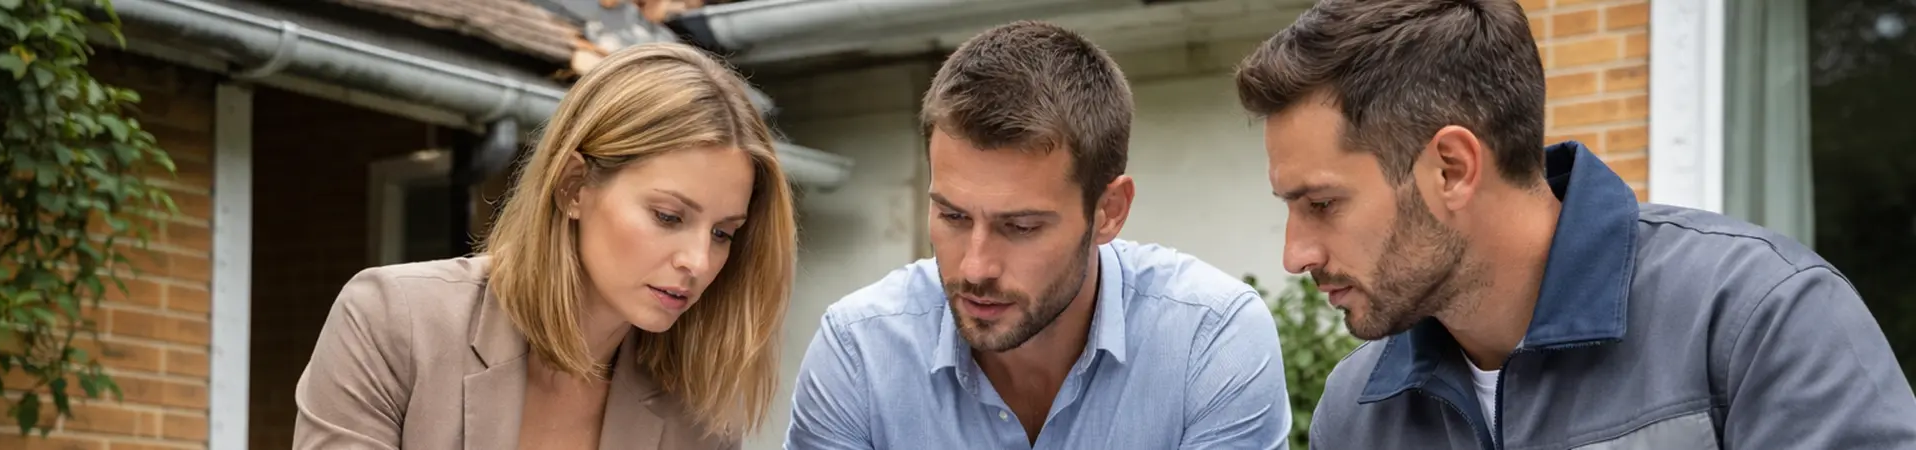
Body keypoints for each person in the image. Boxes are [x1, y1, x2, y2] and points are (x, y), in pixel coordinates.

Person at [1233, 0, 1916, 448]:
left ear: (1450, 168)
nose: (1296, 254)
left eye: (1321, 203)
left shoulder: (1754, 317)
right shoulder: (1356, 415)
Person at [784, 20, 1291, 450]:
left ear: (1109, 212)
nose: (975, 267)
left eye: (1021, 226)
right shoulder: (860, 350)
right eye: (953, 217)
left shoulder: (1209, 338)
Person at [291, 42, 798, 450]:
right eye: (668, 216)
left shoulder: (699, 414)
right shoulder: (395, 320)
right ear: (574, 185)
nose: (699, 261)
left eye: (723, 233)